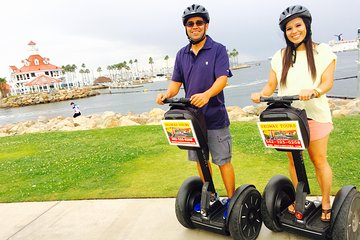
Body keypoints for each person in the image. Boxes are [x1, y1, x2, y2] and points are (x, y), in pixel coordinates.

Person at [251, 5, 336, 222]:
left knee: (318, 160)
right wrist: (261, 95)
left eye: (298, 25)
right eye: (289, 28)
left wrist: (314, 91)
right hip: (288, 116)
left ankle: (326, 201)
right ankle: (302, 199)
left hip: (314, 114)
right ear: (285, 32)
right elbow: (271, 84)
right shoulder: (280, 56)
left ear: (306, 25)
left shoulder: (322, 51)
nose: (294, 31)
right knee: (293, 159)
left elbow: (327, 82)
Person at [156, 4, 235, 219]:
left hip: (215, 117)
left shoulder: (218, 49)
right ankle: (210, 196)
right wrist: (166, 95)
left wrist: (207, 94)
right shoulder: (181, 54)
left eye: (199, 22)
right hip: (192, 119)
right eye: (190, 24)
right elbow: (175, 83)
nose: (195, 26)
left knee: (223, 160)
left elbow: (222, 79)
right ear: (185, 28)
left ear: (206, 25)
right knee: (201, 160)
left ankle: (233, 201)